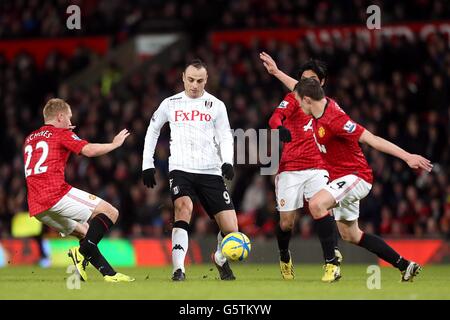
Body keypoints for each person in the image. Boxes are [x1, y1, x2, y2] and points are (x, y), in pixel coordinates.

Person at [295, 78, 433, 282]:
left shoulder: (335, 120)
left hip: (356, 176)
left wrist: (407, 157)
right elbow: (299, 88)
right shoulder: (318, 103)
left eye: (298, 101)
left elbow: (372, 139)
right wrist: (277, 72)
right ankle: (405, 265)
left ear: (307, 100)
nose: (297, 105)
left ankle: (331, 266)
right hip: (340, 180)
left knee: (316, 204)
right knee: (351, 235)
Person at [142, 59, 238, 281]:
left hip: (210, 170)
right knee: (183, 208)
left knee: (231, 230)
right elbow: (152, 130)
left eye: (200, 81)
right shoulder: (170, 103)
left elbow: (225, 135)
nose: (195, 85)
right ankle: (178, 269)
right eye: (191, 80)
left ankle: (220, 258)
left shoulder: (216, 105)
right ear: (183, 78)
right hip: (181, 169)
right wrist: (147, 164)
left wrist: (228, 161)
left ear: (206, 80)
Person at [23, 98, 134, 282]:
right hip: (55, 194)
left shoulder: (30, 138)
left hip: (37, 206)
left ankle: (109, 274)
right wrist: (114, 144)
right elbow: (89, 150)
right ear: (59, 116)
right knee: (110, 212)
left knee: (84, 231)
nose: (70, 122)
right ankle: (80, 253)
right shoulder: (61, 133)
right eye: (68, 117)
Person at [260, 52, 343, 281]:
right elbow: (274, 118)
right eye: (304, 80)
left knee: (322, 207)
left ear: (322, 82)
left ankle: (331, 261)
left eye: (313, 80)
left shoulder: (328, 106)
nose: (308, 84)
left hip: (318, 166)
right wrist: (280, 128)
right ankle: (285, 255)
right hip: (290, 168)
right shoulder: (294, 98)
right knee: (286, 223)